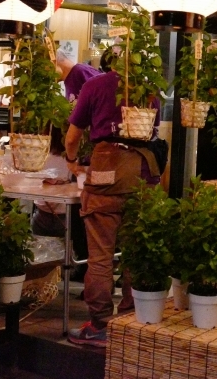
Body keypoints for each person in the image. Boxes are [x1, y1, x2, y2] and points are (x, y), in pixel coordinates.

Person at [63, 68, 161, 347]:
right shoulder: (149, 89)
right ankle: (130, 318)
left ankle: (100, 326)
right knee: (135, 252)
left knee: (101, 256)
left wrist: (72, 161)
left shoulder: (95, 86)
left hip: (106, 171)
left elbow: (72, 137)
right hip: (144, 174)